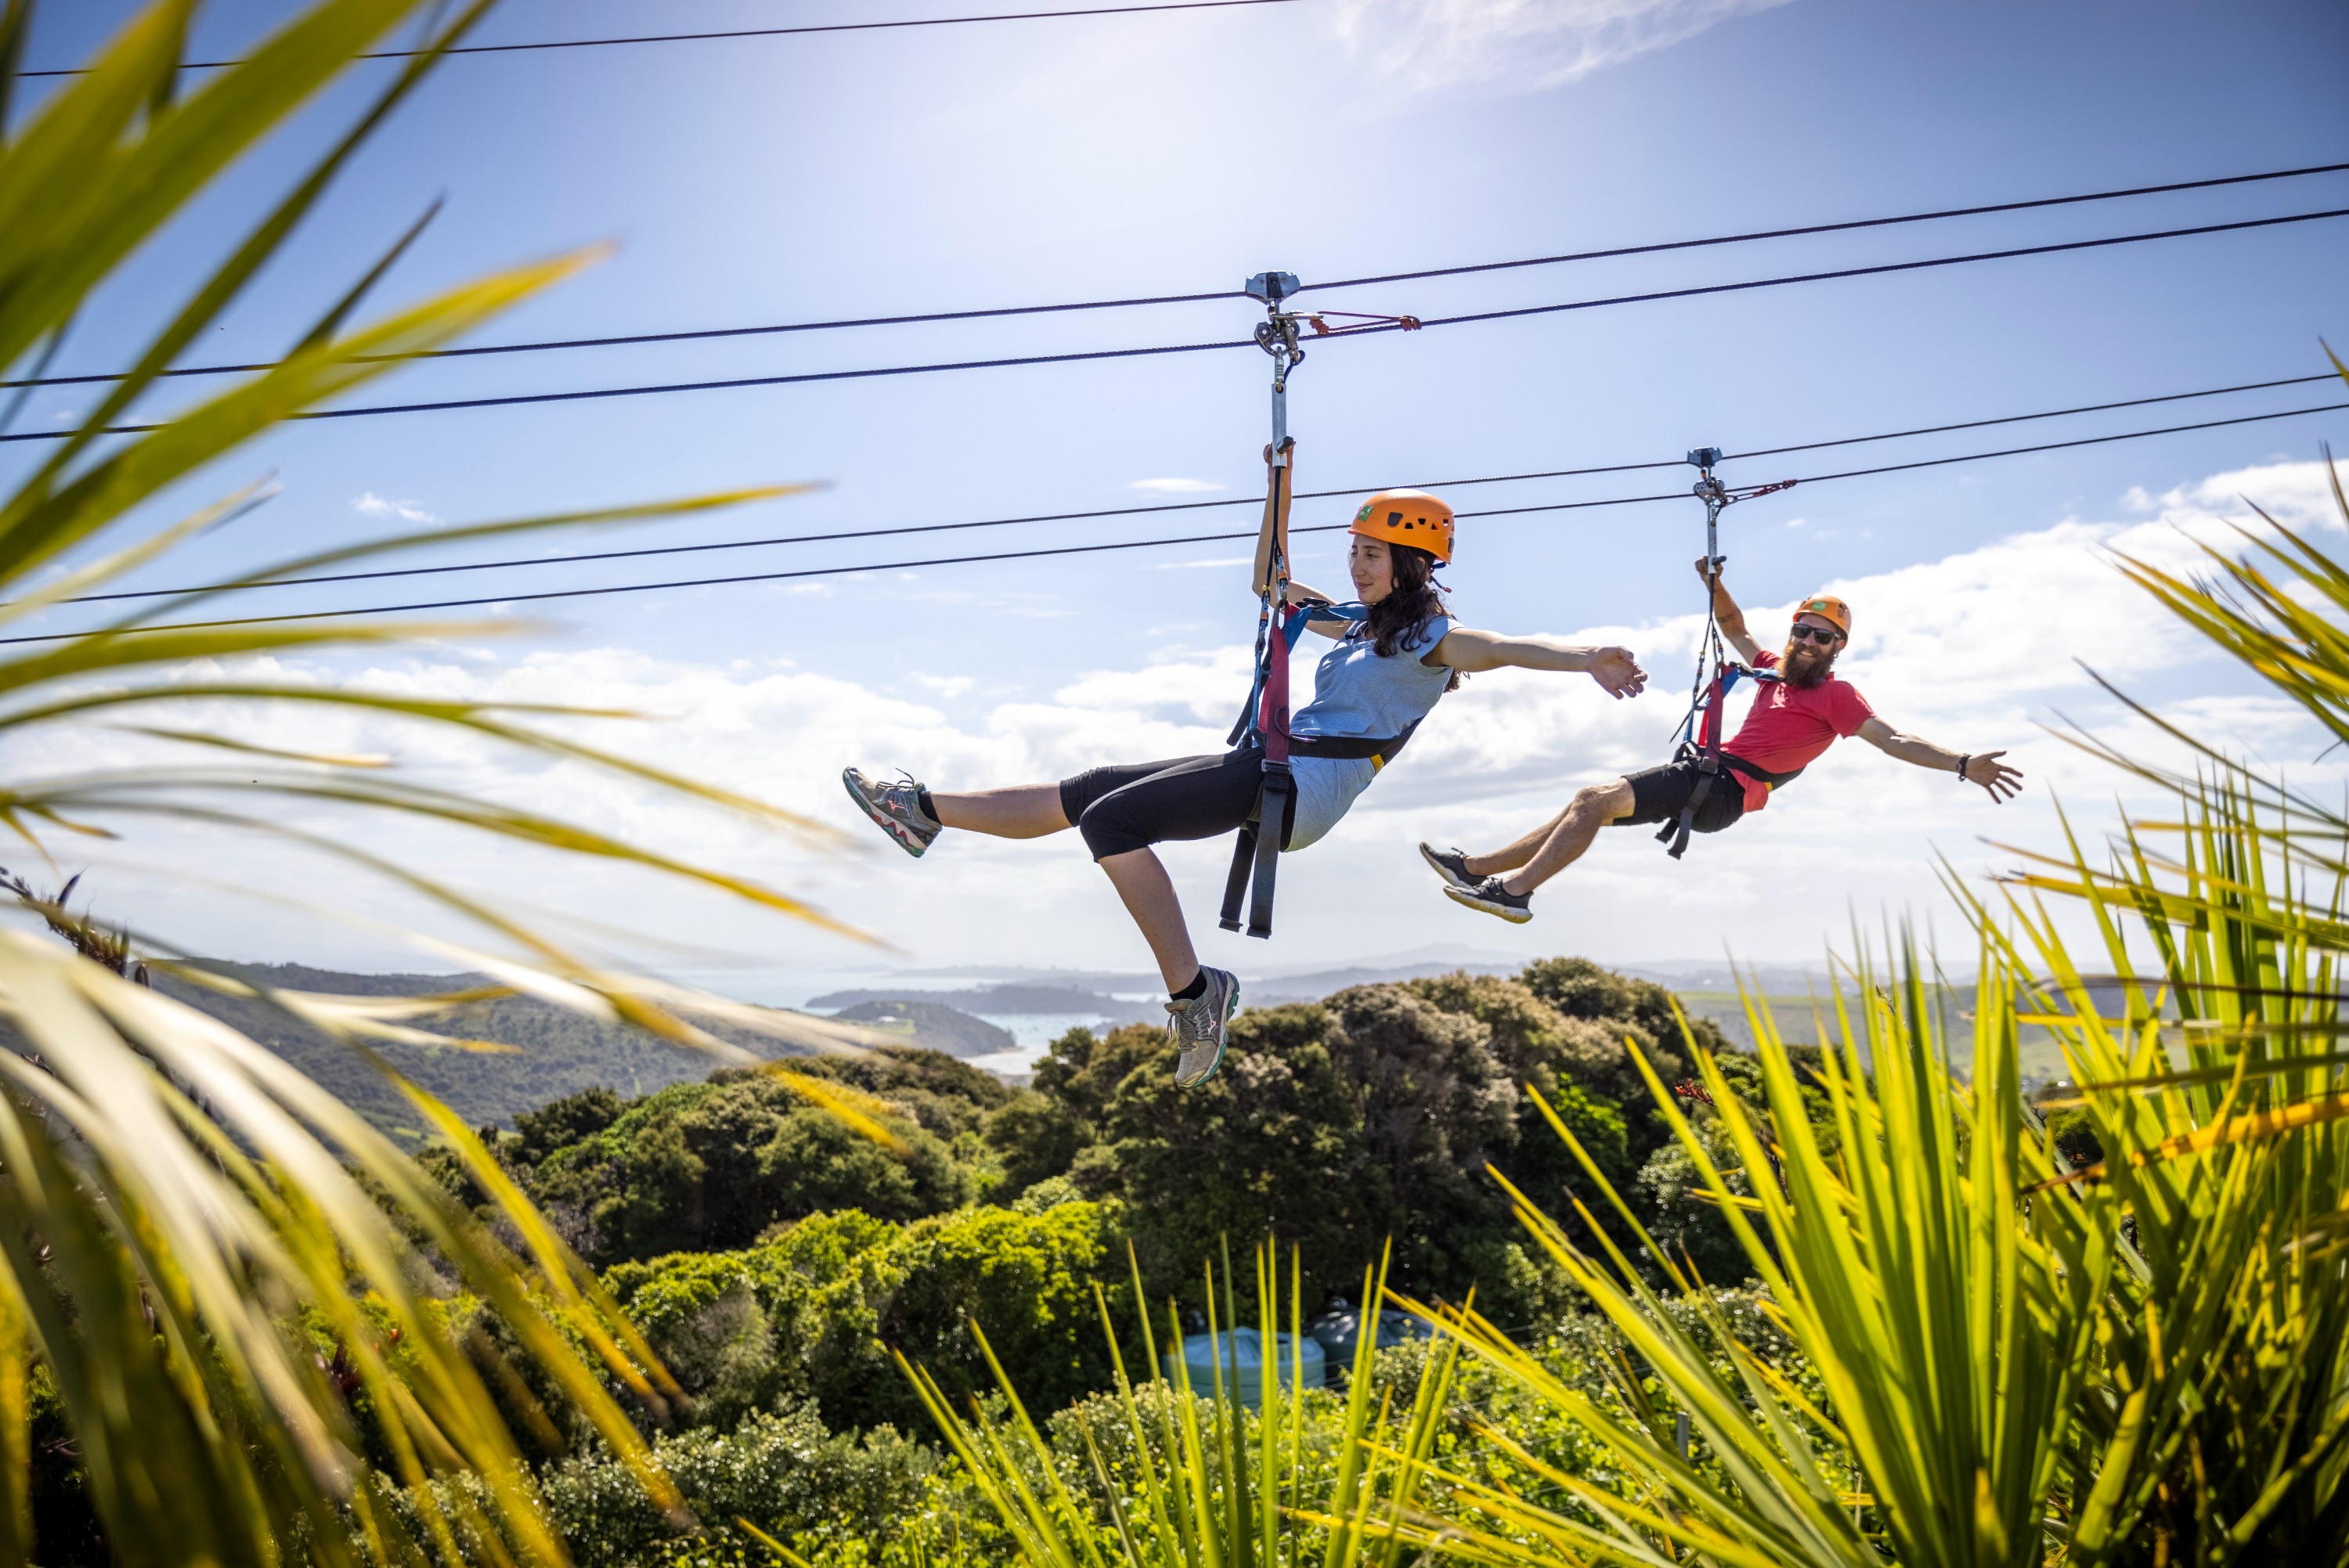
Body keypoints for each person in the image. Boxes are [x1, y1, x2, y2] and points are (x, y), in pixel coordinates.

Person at [843, 490, 1647, 1090]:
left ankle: (1199, 993)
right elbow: (1270, 581)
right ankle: (919, 813)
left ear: (1412, 562)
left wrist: (1587, 656)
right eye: (1355, 549)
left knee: (1115, 822)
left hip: (1301, 788)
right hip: (1277, 768)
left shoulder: (1431, 638)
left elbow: (1504, 646)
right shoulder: (1358, 624)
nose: (1357, 563)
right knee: (1092, 790)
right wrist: (1278, 485)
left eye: (1372, 552)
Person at [1422, 561, 2024, 922]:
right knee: (1584, 808)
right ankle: (1476, 869)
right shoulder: (1770, 667)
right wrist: (1715, 582)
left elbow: (1894, 739)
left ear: (1838, 648)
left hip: (1724, 790)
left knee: (1593, 799)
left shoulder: (1838, 697)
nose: (1809, 642)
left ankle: (1516, 893)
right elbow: (1733, 628)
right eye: (1804, 630)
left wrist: (1962, 763)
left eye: (1823, 637)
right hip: (1709, 773)